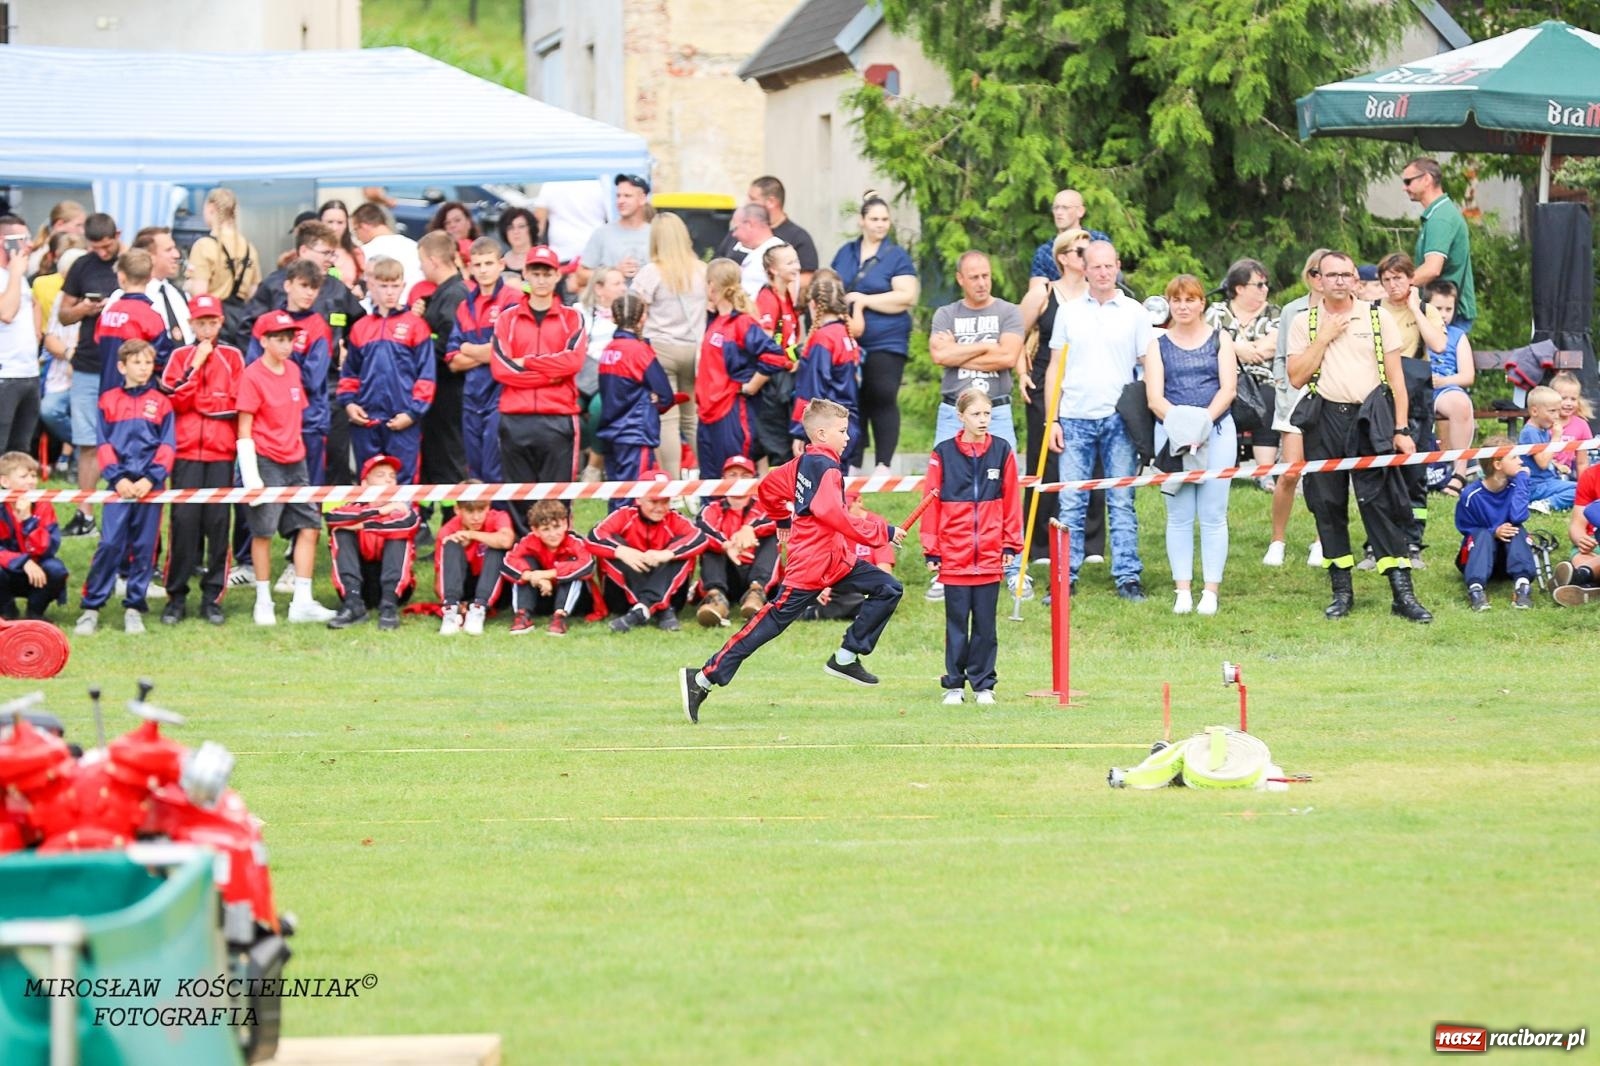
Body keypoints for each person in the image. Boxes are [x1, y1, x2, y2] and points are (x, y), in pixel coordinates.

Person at [680, 399, 907, 724]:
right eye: (842, 431)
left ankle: (846, 656)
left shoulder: (806, 462)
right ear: (821, 433)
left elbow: (769, 488)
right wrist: (883, 531)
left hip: (836, 561)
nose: (848, 437)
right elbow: (834, 514)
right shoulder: (825, 468)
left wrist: (782, 519)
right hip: (811, 567)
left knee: (889, 588)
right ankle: (703, 677)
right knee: (768, 625)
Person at [1287, 250, 1430, 623]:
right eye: (1331, 274)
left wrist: (1401, 429)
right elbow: (1296, 377)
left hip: (1371, 419)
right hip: (1325, 419)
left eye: (1345, 274)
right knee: (1327, 505)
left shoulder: (1378, 317)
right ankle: (1341, 592)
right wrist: (1324, 339)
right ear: (1318, 280)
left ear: (1355, 279)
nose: (1339, 280)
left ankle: (1402, 593)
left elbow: (1397, 381)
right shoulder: (1305, 322)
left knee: (1381, 502)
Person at [1043, 240, 1152, 600]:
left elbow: (1148, 364)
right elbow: (1055, 367)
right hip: (1074, 417)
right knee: (1071, 502)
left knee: (1121, 500)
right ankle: (1064, 577)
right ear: (1085, 270)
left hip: (1119, 418)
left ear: (1117, 266)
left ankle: (1128, 576)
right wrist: (1051, 420)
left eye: (1109, 266)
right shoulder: (1069, 311)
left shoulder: (1135, 312)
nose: (1103, 273)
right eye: (1096, 266)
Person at [235, 310, 337, 626]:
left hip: (296, 460)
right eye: (278, 339)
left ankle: (302, 600)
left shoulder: (293, 370)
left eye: (289, 339)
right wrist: (251, 475)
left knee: (309, 526)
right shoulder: (252, 376)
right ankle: (263, 600)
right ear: (263, 341)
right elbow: (244, 427)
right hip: (265, 461)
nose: (286, 345)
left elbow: (295, 416)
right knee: (263, 532)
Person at [921, 388, 1022, 705]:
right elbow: (931, 502)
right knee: (956, 626)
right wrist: (932, 548)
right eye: (976, 414)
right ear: (960, 416)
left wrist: (1010, 545)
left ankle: (983, 685)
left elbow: (1012, 501)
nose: (983, 419)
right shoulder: (943, 453)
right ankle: (954, 685)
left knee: (985, 627)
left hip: (991, 556)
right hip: (954, 556)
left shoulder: (1002, 450)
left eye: (987, 413)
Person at [1145, 275, 1238, 616]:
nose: (1183, 306)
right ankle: (1182, 590)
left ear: (1202, 303)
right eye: (1176, 300)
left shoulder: (1220, 339)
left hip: (1217, 430)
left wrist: (1203, 423)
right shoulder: (1157, 344)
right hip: (1172, 435)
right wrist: (1183, 428)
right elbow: (1155, 397)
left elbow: (1228, 389)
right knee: (1179, 515)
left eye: (1190, 299)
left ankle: (1210, 590)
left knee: (1213, 513)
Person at [74, 340, 175, 635]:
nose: (143, 368)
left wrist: (150, 479)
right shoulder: (108, 400)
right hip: (117, 487)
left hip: (150, 488)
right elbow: (103, 444)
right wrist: (117, 478)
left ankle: (134, 606)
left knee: (144, 547)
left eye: (148, 363)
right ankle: (92, 607)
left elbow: (167, 446)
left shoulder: (162, 403)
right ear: (121, 366)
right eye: (136, 362)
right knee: (110, 543)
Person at [1019, 229, 1102, 567]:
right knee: (1046, 460)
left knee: (1092, 457)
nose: (1087, 257)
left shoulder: (1096, 294)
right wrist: (1021, 372)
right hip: (1045, 380)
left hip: (1085, 382)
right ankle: (1040, 544)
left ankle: (1092, 543)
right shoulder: (1043, 292)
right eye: (1080, 252)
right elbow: (1014, 333)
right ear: (1063, 257)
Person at [158, 294, 243, 625]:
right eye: (201, 323)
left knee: (218, 525)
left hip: (221, 453)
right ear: (191, 324)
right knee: (184, 524)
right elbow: (173, 399)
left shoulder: (233, 356)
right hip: (186, 451)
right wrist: (196, 365)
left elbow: (235, 404)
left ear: (220, 322)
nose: (207, 329)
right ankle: (176, 596)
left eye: (212, 322)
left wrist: (201, 403)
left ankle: (213, 597)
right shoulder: (180, 356)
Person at [490, 246, 587, 507]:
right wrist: (552, 374)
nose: (541, 280)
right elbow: (501, 369)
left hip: (558, 417)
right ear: (525, 274)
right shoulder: (507, 319)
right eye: (536, 273)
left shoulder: (572, 318)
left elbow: (573, 361)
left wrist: (527, 362)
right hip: (515, 418)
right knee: (519, 501)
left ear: (557, 275)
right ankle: (523, 537)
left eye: (547, 274)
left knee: (556, 504)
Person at [831, 195, 919, 472]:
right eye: (874, 219)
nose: (880, 224)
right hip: (849, 339)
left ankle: (883, 463)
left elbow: (907, 296)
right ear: (862, 221)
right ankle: (853, 460)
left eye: (885, 219)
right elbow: (832, 287)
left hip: (886, 339)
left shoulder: (896, 256)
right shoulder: (846, 252)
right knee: (852, 398)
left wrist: (865, 300)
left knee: (882, 393)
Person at [339, 257, 435, 483]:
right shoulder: (360, 328)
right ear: (371, 285)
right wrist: (349, 404)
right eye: (383, 286)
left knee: (404, 483)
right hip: (366, 421)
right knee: (368, 481)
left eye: (395, 286)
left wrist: (412, 414)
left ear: (403, 286)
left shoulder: (416, 326)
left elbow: (427, 376)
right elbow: (350, 373)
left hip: (403, 420)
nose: (390, 292)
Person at [1263, 248, 1331, 568]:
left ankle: (1321, 540)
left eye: (1324, 273)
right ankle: (1277, 540)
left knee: (1325, 476)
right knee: (1290, 472)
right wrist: (1283, 387)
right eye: (1314, 273)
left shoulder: (1346, 310)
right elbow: (1280, 355)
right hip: (1294, 396)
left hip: (1331, 397)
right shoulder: (1292, 310)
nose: (1319, 279)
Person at [57, 211, 123, 536]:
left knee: (123, 441)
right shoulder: (81, 266)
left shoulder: (130, 263)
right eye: (95, 247)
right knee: (87, 441)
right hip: (87, 364)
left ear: (117, 236)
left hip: (123, 366)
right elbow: (63, 315)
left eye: (107, 246)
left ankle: (121, 511)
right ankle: (85, 514)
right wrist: (83, 309)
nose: (102, 253)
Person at [630, 212, 707, 475]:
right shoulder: (702, 270)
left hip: (662, 350)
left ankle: (672, 483)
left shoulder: (651, 273)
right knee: (692, 418)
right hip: (696, 351)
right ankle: (710, 479)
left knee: (667, 419)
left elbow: (634, 311)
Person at [246, 260, 335, 484]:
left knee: (307, 491)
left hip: (309, 421)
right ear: (288, 285)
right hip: (269, 424)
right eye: (304, 285)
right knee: (268, 488)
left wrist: (279, 359)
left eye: (314, 288)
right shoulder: (265, 322)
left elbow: (312, 380)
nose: (309, 293)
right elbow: (254, 371)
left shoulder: (319, 327)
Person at [586, 474, 709, 632]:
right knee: (612, 546)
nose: (660, 508)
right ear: (638, 498)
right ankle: (660, 608)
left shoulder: (674, 518)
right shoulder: (624, 515)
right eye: (653, 501)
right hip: (622, 599)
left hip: (672, 597)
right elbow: (593, 537)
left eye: (665, 501)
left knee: (681, 550)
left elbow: (700, 538)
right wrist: (621, 551)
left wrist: (667, 554)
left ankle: (641, 610)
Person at [697, 259, 785, 478]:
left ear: (711, 285)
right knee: (710, 480)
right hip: (707, 412)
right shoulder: (716, 321)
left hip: (731, 411)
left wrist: (751, 386)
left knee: (735, 476)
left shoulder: (742, 323)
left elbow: (775, 355)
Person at [446, 237, 524, 482]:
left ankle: (500, 509)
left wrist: (468, 348)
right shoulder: (464, 306)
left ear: (501, 264)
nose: (483, 270)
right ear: (470, 268)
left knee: (495, 470)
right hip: (472, 396)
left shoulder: (513, 299)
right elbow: (453, 361)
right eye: (477, 264)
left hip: (503, 394)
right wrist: (488, 352)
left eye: (488, 263)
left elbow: (509, 351)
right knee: (475, 471)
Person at [323, 454, 420, 631]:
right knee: (341, 532)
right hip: (360, 583)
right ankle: (353, 604)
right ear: (365, 484)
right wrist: (380, 512)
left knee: (398, 536)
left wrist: (363, 525)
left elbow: (408, 524)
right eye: (381, 475)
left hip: (396, 588)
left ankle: (389, 607)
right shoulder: (353, 505)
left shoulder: (402, 507)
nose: (388, 480)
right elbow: (332, 518)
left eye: (392, 476)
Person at [1205, 258, 1279, 490]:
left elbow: (1272, 345)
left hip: (1262, 378)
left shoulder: (1274, 312)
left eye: (1266, 284)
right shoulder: (1217, 312)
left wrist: (1235, 347)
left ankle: (1264, 473)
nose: (1265, 289)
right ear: (1239, 288)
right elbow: (1208, 340)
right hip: (1223, 377)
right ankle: (1218, 467)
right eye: (1259, 285)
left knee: (1268, 398)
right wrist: (1238, 349)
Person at [596, 293, 677, 491]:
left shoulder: (608, 349)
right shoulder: (639, 351)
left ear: (614, 318)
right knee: (635, 494)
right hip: (635, 432)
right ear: (642, 318)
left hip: (611, 431)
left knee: (617, 493)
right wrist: (653, 402)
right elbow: (666, 395)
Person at [415, 231, 471, 507]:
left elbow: (448, 343)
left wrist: (420, 344)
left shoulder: (454, 294)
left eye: (422, 261)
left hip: (449, 389)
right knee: (435, 457)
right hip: (440, 390)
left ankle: (454, 517)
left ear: (434, 260)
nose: (421, 268)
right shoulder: (443, 294)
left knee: (449, 457)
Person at [694, 455, 779, 626]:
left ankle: (756, 594)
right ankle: (716, 599)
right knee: (711, 546)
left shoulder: (765, 505)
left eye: (745, 476)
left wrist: (750, 528)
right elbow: (702, 529)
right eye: (732, 475)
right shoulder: (711, 508)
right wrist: (726, 545)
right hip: (725, 573)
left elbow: (780, 518)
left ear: (754, 480)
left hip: (759, 573)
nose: (739, 480)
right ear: (723, 479)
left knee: (771, 537)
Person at [1453, 436, 1533, 611]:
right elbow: (1466, 528)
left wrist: (1522, 479)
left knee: (1516, 529)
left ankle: (1522, 586)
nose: (1521, 462)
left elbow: (1518, 517)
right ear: (1497, 465)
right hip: (1478, 557)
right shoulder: (1471, 495)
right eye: (1514, 457)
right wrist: (1493, 532)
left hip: (1507, 558)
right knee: (1482, 534)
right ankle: (1476, 589)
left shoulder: (1516, 486)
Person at [502, 499, 598, 636]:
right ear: (535, 530)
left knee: (574, 567)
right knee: (524, 564)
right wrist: (533, 576)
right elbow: (508, 561)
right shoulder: (529, 540)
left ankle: (560, 617)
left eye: (556, 527)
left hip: (576, 601)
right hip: (542, 595)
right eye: (546, 529)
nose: (553, 534)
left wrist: (546, 574)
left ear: (565, 524)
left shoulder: (574, 541)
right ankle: (522, 615)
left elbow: (588, 565)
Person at [788, 274, 859, 453]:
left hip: (826, 428)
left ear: (813, 304)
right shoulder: (845, 333)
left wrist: (800, 431)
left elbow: (814, 388)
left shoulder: (823, 338)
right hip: (846, 423)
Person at [1404, 157, 1476, 331]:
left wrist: (1396, 288)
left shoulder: (1440, 218)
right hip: (1444, 311)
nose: (1404, 188)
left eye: (1408, 181)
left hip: (1448, 315)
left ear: (1426, 179)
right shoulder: (1440, 213)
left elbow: (1432, 269)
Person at [1419, 279, 1477, 495]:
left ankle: (1459, 473)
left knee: (1461, 404)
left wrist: (1443, 381)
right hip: (1415, 388)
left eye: (1448, 309)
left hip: (1445, 389)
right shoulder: (1414, 330)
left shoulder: (1457, 336)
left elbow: (1467, 376)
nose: (1443, 314)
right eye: (1438, 309)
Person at [183, 189, 261, 349]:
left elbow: (199, 293)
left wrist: (187, 285)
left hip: (213, 322)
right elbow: (253, 292)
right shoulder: (249, 247)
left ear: (211, 208)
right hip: (241, 322)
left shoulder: (204, 245)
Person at [436, 489, 516, 636]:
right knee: (451, 544)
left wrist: (472, 535)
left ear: (488, 506)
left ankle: (478, 609)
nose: (476, 517)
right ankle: (451, 610)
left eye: (481, 510)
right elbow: (440, 578)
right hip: (464, 585)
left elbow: (506, 541)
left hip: (495, 585)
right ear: (457, 510)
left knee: (496, 547)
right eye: (470, 511)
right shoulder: (448, 529)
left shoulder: (499, 516)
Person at [94, 249, 175, 393]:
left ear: (121, 276)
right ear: (150, 277)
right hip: (140, 395)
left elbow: (98, 345)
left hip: (107, 392)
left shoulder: (108, 313)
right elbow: (162, 357)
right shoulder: (151, 317)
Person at [715, 177, 820, 289]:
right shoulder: (738, 232)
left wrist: (768, 284)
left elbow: (808, 278)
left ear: (771, 202)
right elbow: (717, 262)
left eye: (752, 199)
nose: (747, 203)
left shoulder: (797, 237)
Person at [575, 266, 629, 481]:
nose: (624, 288)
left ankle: (593, 467)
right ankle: (588, 450)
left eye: (623, 283)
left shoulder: (628, 313)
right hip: (582, 376)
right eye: (617, 284)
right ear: (598, 289)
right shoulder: (579, 311)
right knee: (566, 408)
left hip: (611, 376)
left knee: (599, 408)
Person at [0, 452, 67, 621]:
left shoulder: (43, 505)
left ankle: (35, 612)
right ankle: (7, 611)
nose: (31, 481)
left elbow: (48, 548)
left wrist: (28, 521)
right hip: (7, 569)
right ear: (5, 482)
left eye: (33, 476)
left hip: (38, 569)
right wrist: (22, 562)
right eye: (24, 477)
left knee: (56, 570)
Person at [753, 243, 802, 468]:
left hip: (786, 377)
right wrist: (786, 363)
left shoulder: (787, 296)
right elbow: (765, 345)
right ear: (773, 269)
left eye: (796, 261)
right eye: (789, 263)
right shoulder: (767, 299)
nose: (797, 266)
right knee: (776, 444)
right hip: (773, 382)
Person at [0, 216, 41, 456]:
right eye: (23, 239)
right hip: (5, 374)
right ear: (4, 242)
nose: (30, 244)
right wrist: (15, 274)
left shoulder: (18, 276)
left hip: (28, 372)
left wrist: (36, 336)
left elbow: (33, 304)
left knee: (21, 451)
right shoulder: (11, 275)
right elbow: (6, 312)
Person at [1026, 189, 1110, 298]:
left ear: (1080, 211)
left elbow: (1110, 278)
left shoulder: (1098, 240)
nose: (1059, 212)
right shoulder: (1045, 252)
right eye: (1056, 208)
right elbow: (1036, 293)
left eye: (1065, 208)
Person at [578, 174, 652, 289]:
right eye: (618, 196)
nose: (620, 201)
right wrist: (613, 273)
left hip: (646, 299)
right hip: (611, 300)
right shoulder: (602, 233)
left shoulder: (655, 233)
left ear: (642, 199)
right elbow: (581, 275)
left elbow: (671, 272)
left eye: (627, 196)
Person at [126, 227, 193, 349]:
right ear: (149, 257)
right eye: (168, 250)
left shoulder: (180, 295)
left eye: (174, 248)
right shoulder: (128, 298)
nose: (177, 255)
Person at [1518, 385, 1576, 513]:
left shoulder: (1542, 429)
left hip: (1546, 481)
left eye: (1558, 411)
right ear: (1535, 411)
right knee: (1580, 489)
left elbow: (1541, 457)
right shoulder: (1530, 432)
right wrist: (1555, 438)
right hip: (1535, 485)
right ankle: (1547, 504)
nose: (1557, 416)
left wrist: (1557, 465)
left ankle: (1548, 501)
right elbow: (1542, 463)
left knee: (1582, 488)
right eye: (1552, 411)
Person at [533, 179, 609, 266]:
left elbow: (538, 225)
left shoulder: (550, 184)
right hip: (595, 255)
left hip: (562, 254)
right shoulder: (602, 183)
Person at [349, 202, 423, 292]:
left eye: (355, 230)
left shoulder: (363, 252)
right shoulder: (415, 247)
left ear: (364, 226)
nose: (357, 237)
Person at [1555, 461, 1600, 606]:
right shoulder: (1591, 475)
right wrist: (1581, 539)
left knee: (1585, 565)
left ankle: (1581, 578)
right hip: (1595, 543)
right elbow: (1577, 525)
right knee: (1580, 557)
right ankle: (1588, 582)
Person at [727, 205, 784, 300]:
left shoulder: (778, 252)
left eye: (736, 228)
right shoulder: (759, 252)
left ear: (749, 225)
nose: (734, 234)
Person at [1549, 371, 1593, 476]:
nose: (1569, 403)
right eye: (1563, 398)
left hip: (1566, 474)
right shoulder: (1543, 423)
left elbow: (1582, 462)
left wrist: (1582, 483)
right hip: (1543, 473)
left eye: (1573, 399)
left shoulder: (1581, 425)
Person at [318, 199, 365, 292]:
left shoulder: (356, 253)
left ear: (346, 224)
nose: (334, 228)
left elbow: (364, 281)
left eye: (340, 222)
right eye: (330, 222)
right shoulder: (311, 251)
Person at [497, 207, 539, 276]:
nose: (516, 232)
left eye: (521, 226)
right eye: (510, 228)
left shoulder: (544, 258)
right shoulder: (499, 262)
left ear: (531, 229)